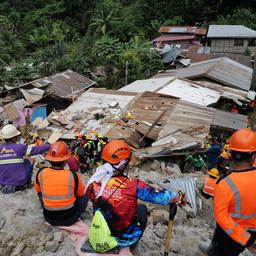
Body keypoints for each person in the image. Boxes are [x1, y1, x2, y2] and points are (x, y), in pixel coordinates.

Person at [85, 140, 186, 248]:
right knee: (141, 209)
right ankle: (131, 245)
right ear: (123, 165)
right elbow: (161, 197)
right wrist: (179, 196)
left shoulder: (94, 181)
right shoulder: (134, 185)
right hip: (125, 238)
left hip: (101, 231)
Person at [199, 128, 256, 256]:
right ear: (253, 156)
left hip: (230, 235)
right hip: (252, 231)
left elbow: (222, 218)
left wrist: (246, 239)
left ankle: (212, 251)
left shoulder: (225, 184)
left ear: (230, 153)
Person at [34, 141, 87, 226]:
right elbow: (80, 195)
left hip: (49, 217)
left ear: (50, 159)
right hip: (70, 218)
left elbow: (38, 191)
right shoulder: (73, 175)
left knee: (41, 193)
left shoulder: (41, 172)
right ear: (65, 161)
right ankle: (81, 213)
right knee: (84, 193)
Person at [0, 124, 50, 194]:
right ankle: (27, 184)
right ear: (14, 138)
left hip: (3, 183)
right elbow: (36, 149)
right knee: (29, 160)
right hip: (19, 184)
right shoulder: (20, 147)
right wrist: (49, 146)